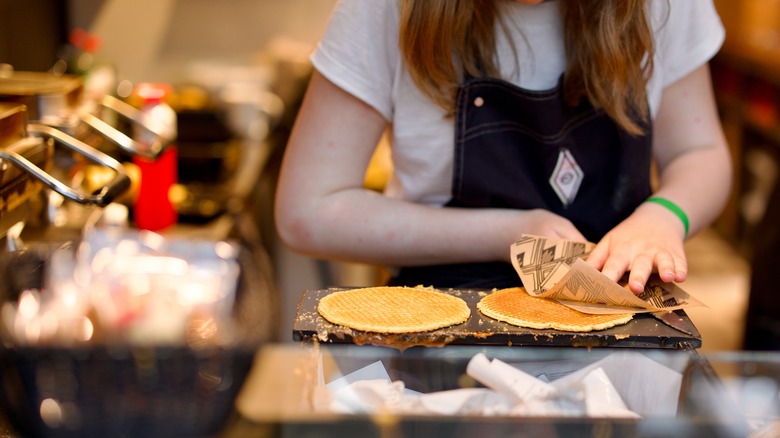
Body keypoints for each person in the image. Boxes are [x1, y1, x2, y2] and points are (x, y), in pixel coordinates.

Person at [275, 0, 732, 293]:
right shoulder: (384, 10)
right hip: (442, 319)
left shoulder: (665, 7)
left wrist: (664, 217)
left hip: (618, 303)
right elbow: (308, 211)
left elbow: (700, 153)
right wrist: (507, 235)